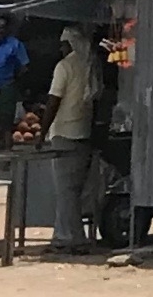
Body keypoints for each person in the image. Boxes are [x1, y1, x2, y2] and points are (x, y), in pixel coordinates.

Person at [42, 23, 98, 257]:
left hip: (64, 133)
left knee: (65, 191)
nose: (61, 49)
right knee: (73, 191)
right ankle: (65, 236)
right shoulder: (90, 65)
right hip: (84, 132)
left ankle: (71, 238)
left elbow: (54, 101)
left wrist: (41, 132)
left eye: (63, 44)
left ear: (70, 44)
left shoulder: (64, 67)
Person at [0, 21, 31, 139]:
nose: (0, 31)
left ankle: (7, 151)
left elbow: (24, 67)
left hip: (6, 89)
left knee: (6, 125)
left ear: (8, 29)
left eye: (2, 28)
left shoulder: (15, 45)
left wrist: (12, 81)